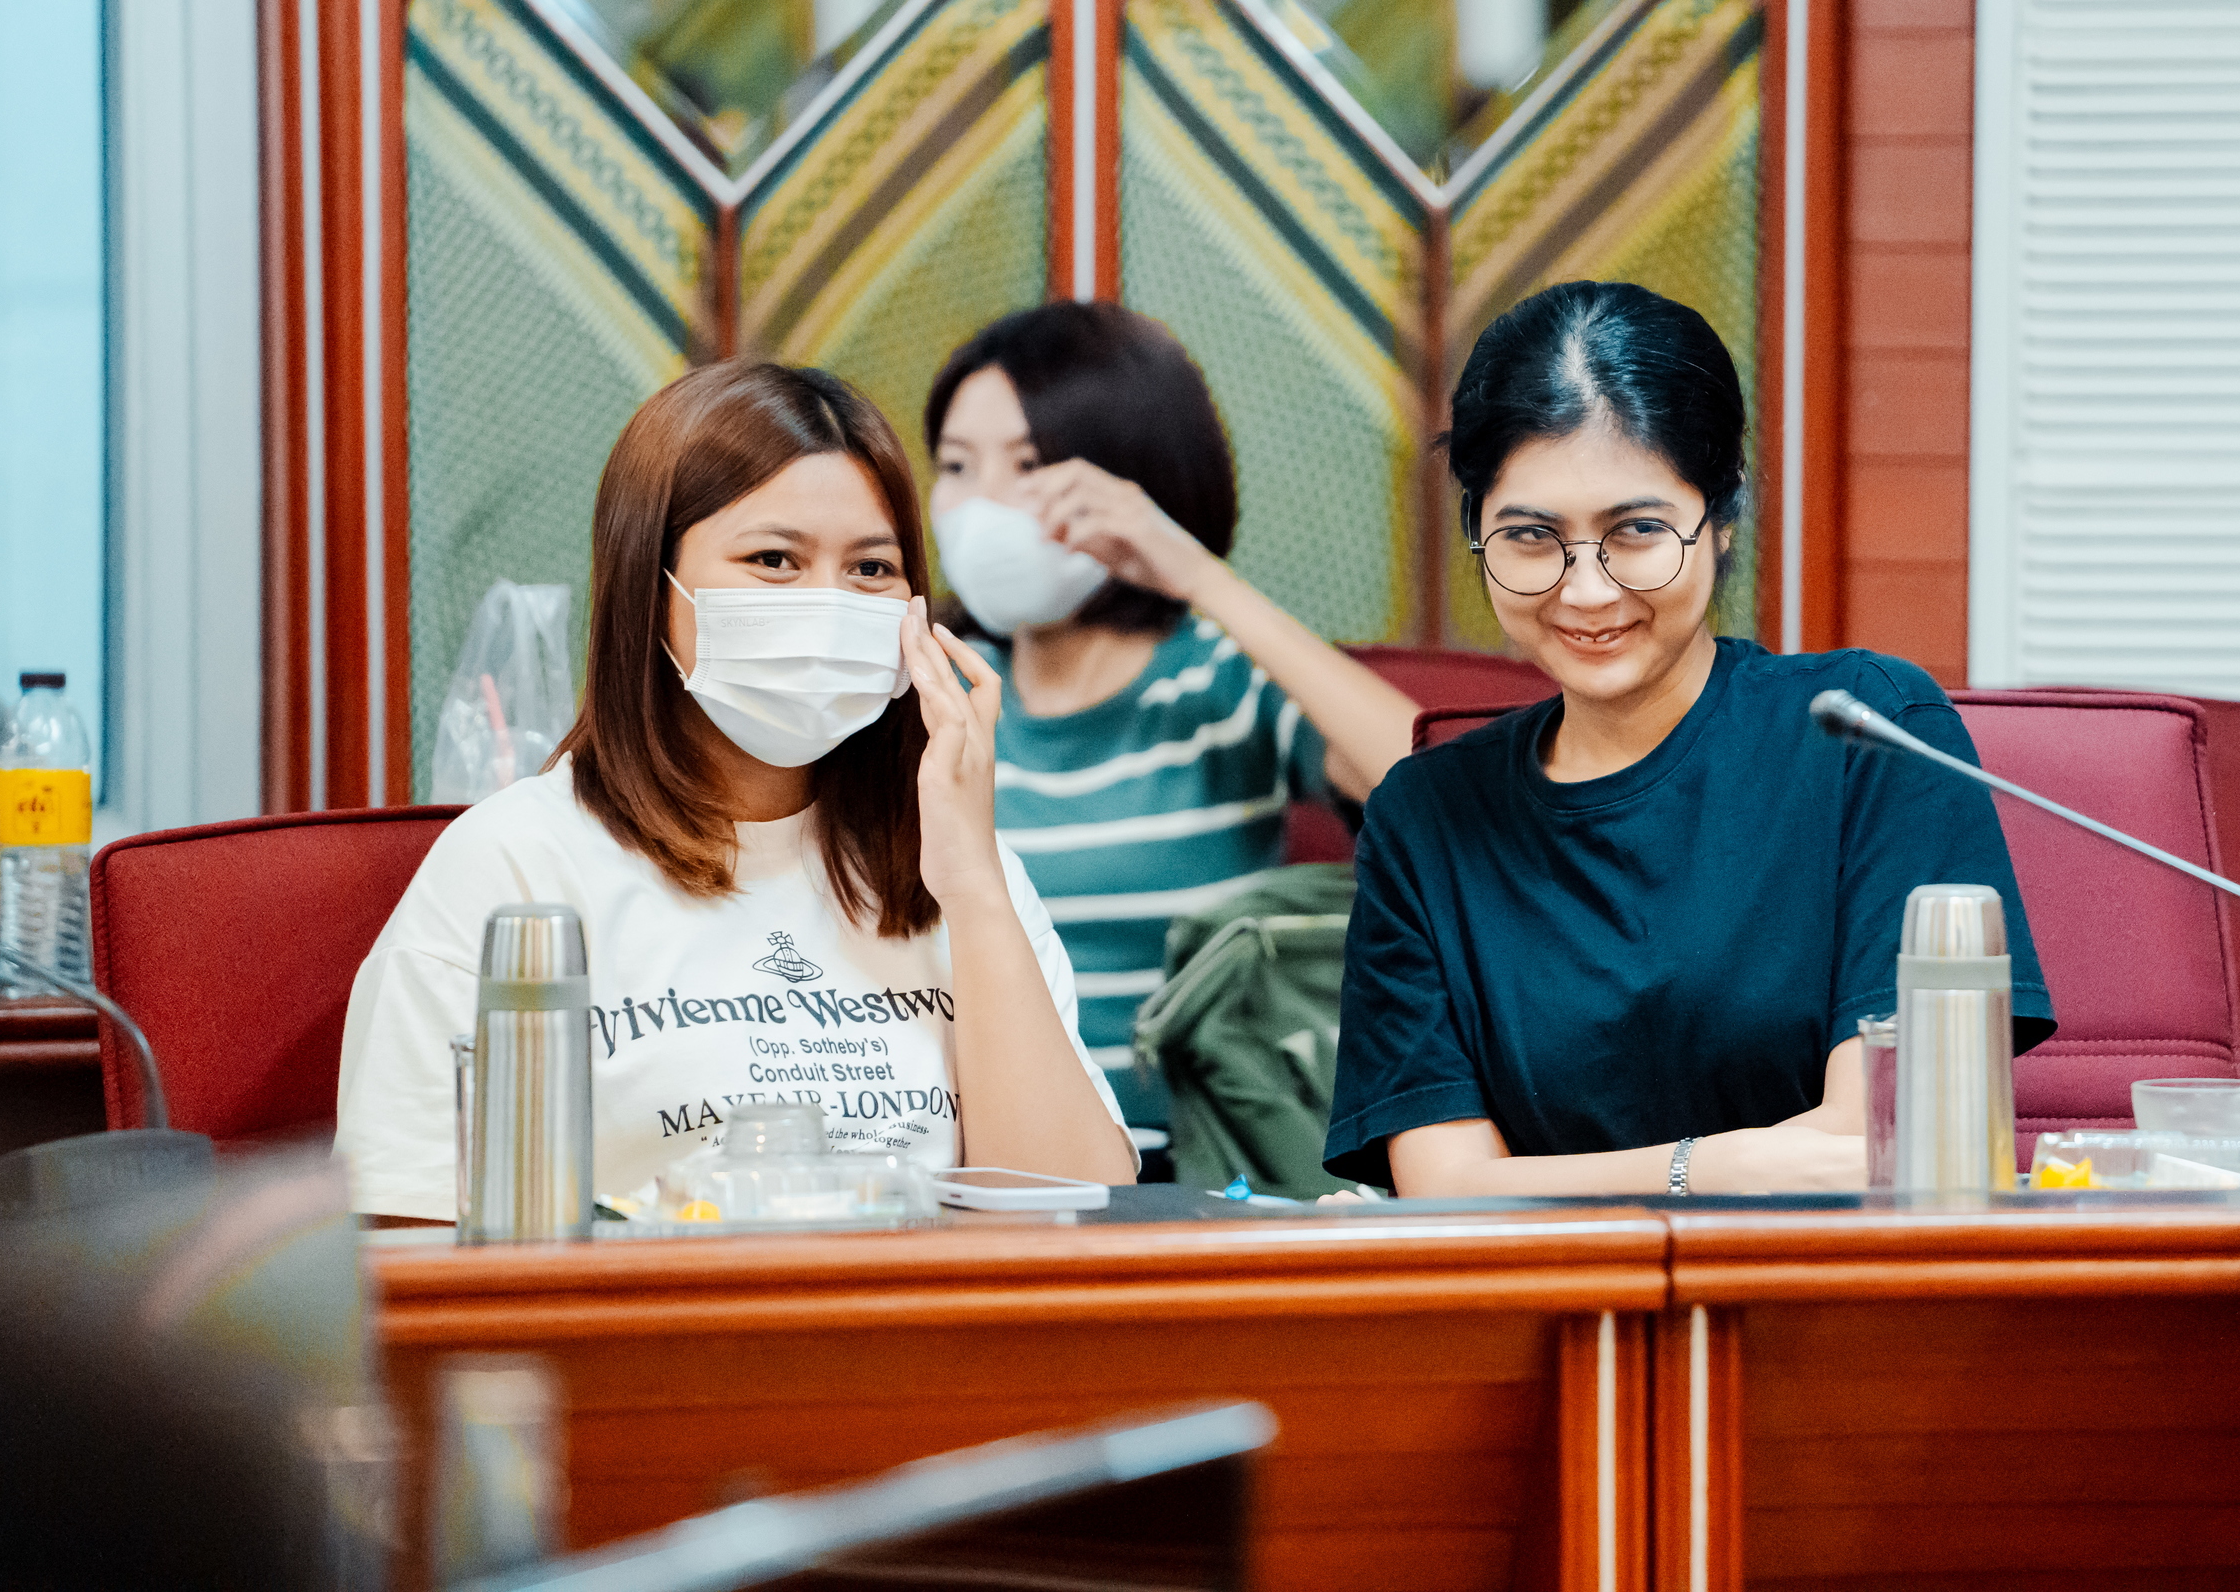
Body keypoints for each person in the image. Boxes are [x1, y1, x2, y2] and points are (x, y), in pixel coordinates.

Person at [335, 363, 1131, 1224]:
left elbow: (1076, 1218)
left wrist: (972, 884)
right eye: (774, 560)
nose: (828, 603)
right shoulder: (515, 867)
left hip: (928, 1314)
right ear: (652, 586)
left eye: (871, 568)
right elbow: (407, 1240)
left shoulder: (963, 869)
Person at [1324, 282, 2054, 1197]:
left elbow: (1884, 1143)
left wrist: (1553, 1180)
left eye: (1636, 530)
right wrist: (1713, 1163)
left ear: (1722, 516)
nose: (1585, 590)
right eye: (1531, 536)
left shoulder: (1867, 731)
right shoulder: (1424, 819)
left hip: (1830, 1277)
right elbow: (1444, 1187)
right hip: (1550, 1290)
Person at [922, 302, 1419, 1136]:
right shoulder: (935, 690)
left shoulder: (1218, 679)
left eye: (1030, 463)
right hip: (991, 1168)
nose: (983, 505)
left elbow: (1432, 783)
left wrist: (1196, 572)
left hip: (1200, 1170)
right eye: (956, 466)